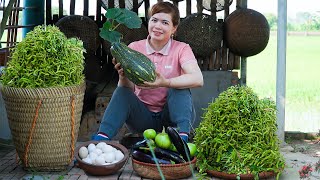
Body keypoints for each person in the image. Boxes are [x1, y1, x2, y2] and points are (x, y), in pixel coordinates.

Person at [93, 1, 203, 142]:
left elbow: (198, 79)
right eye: (154, 20)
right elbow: (128, 89)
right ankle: (101, 139)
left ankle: (182, 138)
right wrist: (123, 76)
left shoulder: (182, 48)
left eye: (165, 22)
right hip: (142, 119)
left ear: (174, 28)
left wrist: (166, 82)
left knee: (179, 88)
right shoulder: (134, 47)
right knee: (122, 91)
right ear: (149, 22)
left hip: (170, 119)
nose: (157, 26)